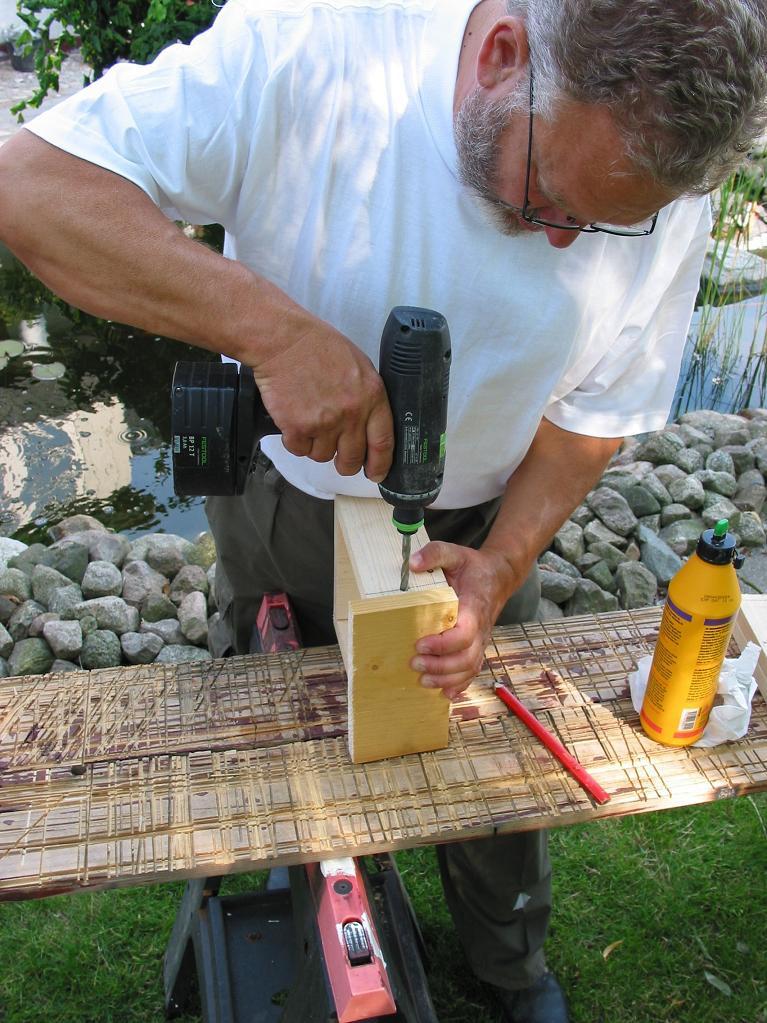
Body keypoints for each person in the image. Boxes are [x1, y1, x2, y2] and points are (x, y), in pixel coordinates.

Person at [0, 1, 765, 1019]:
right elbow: (31, 187)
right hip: (284, 498)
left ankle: (508, 967)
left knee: (488, 761)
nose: (560, 237)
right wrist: (271, 332)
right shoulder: (313, 45)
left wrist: (496, 567)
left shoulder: (656, 174)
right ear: (501, 56)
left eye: (599, 223)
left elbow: (594, 417)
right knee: (272, 723)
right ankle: (283, 895)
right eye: (549, 196)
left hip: (482, 524)